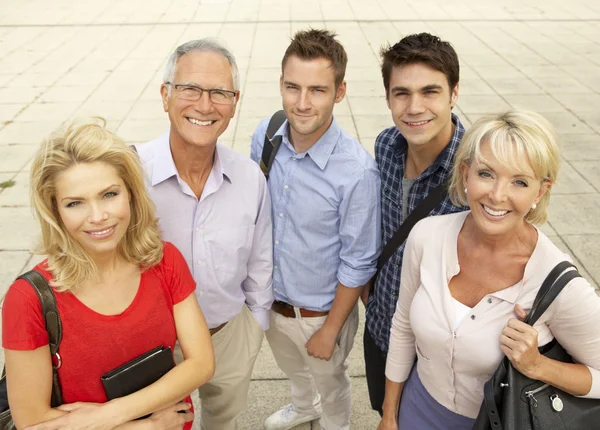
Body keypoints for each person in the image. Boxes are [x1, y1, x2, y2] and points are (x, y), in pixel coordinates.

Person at [378, 109, 600, 430]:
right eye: (486, 174)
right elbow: (402, 326)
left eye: (519, 181)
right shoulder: (427, 235)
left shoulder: (559, 284)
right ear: (465, 174)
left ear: (540, 192)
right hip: (417, 409)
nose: (497, 195)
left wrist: (538, 365)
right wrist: (389, 414)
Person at [2, 120, 215, 429]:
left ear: (130, 193)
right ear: (55, 211)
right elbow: (32, 424)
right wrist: (146, 426)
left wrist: (111, 413)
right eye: (75, 203)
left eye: (109, 194)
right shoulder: (29, 299)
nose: (98, 216)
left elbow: (201, 363)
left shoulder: (164, 260)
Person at [134, 38, 273, 430]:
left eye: (219, 92)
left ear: (235, 101)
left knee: (223, 420)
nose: (205, 104)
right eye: (190, 88)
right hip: (153, 347)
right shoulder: (129, 175)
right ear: (165, 95)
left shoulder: (248, 176)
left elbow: (261, 258)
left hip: (227, 335)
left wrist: (255, 325)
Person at [250, 29, 381, 430]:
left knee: (332, 379)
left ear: (339, 92)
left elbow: (358, 261)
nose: (302, 103)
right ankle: (304, 406)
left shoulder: (356, 172)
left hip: (321, 313)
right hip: (274, 303)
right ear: (281, 84)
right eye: (293, 87)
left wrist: (330, 329)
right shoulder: (266, 135)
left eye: (317, 90)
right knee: (293, 369)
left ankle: (335, 424)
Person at [364, 32, 468, 415]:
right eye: (401, 93)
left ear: (454, 93)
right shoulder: (386, 147)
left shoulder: (475, 173)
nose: (414, 107)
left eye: (430, 91)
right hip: (380, 331)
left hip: (436, 354)